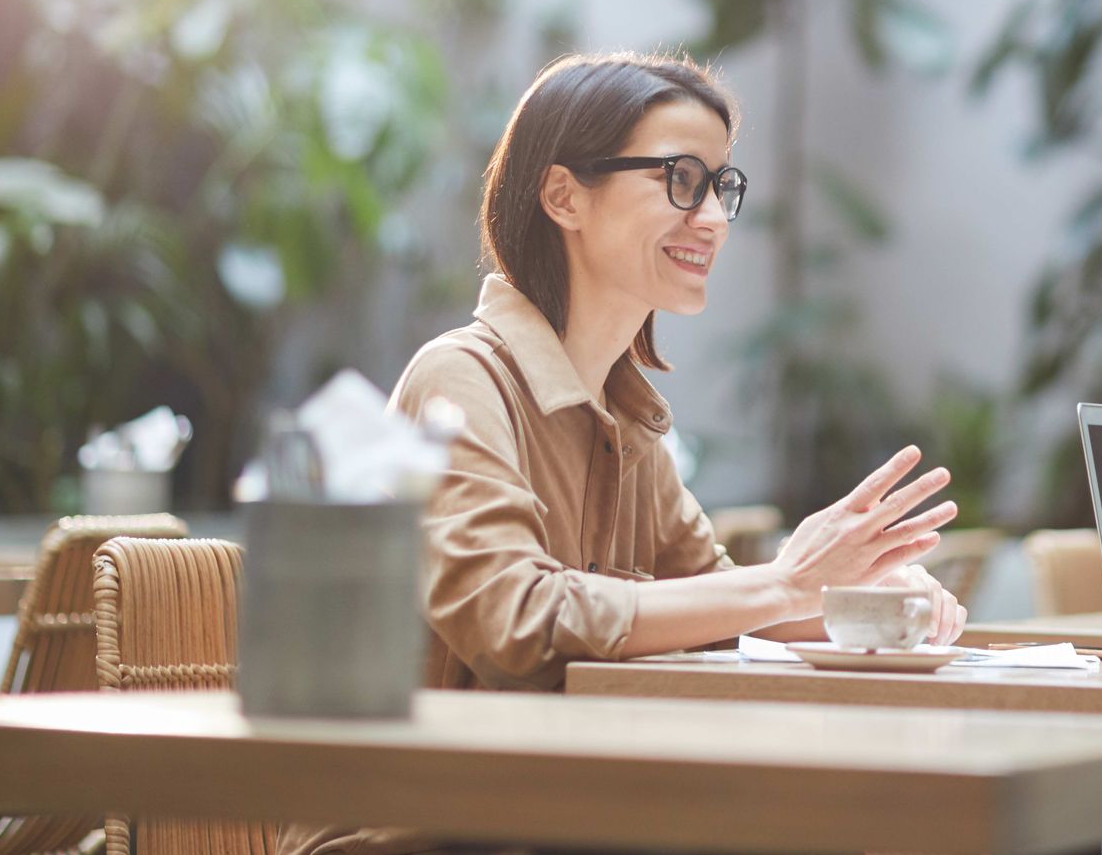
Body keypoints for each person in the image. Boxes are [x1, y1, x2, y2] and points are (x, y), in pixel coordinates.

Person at [283, 52, 964, 855]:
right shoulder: (458, 379)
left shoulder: (629, 421)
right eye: (680, 178)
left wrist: (865, 601)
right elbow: (518, 623)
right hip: (414, 831)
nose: (711, 215)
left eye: (721, 186)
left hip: (575, 814)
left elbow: (719, 616)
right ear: (564, 194)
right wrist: (787, 580)